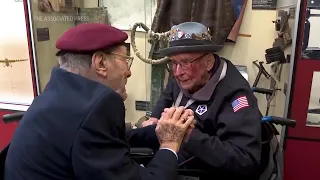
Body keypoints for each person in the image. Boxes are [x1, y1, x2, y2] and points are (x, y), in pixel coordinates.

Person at [4, 23, 196, 180]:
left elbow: (105, 141)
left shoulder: (58, 92)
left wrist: (161, 130)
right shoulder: (98, 106)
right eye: (125, 60)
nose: (128, 72)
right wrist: (170, 143)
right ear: (101, 63)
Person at [138, 22, 262, 179]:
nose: (177, 72)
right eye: (174, 63)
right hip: (172, 151)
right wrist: (154, 117)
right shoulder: (185, 75)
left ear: (208, 62)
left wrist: (188, 134)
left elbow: (245, 160)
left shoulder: (235, 96)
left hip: (201, 167)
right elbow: (168, 94)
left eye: (184, 62)